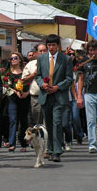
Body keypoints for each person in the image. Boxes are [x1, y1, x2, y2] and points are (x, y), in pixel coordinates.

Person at [35, 34, 73, 162]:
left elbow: (69, 79)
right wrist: (42, 84)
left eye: (53, 45)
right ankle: (50, 149)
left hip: (59, 95)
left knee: (57, 123)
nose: (51, 47)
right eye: (49, 45)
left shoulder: (66, 59)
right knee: (49, 124)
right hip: (46, 95)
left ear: (58, 46)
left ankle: (57, 150)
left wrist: (58, 87)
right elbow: (38, 76)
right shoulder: (41, 58)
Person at [4, 52, 30, 152]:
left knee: (23, 121)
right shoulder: (7, 73)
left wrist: (27, 92)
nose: (13, 60)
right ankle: (12, 143)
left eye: (15, 58)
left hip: (25, 98)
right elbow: (5, 88)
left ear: (20, 59)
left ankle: (23, 143)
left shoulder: (25, 72)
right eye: (11, 59)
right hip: (12, 99)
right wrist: (15, 91)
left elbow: (31, 83)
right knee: (13, 120)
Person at [22, 43, 47, 127]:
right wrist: (33, 75)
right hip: (36, 98)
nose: (43, 53)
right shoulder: (31, 64)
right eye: (40, 51)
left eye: (44, 50)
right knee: (38, 123)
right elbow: (23, 81)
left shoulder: (52, 63)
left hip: (49, 96)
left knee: (49, 122)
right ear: (36, 53)